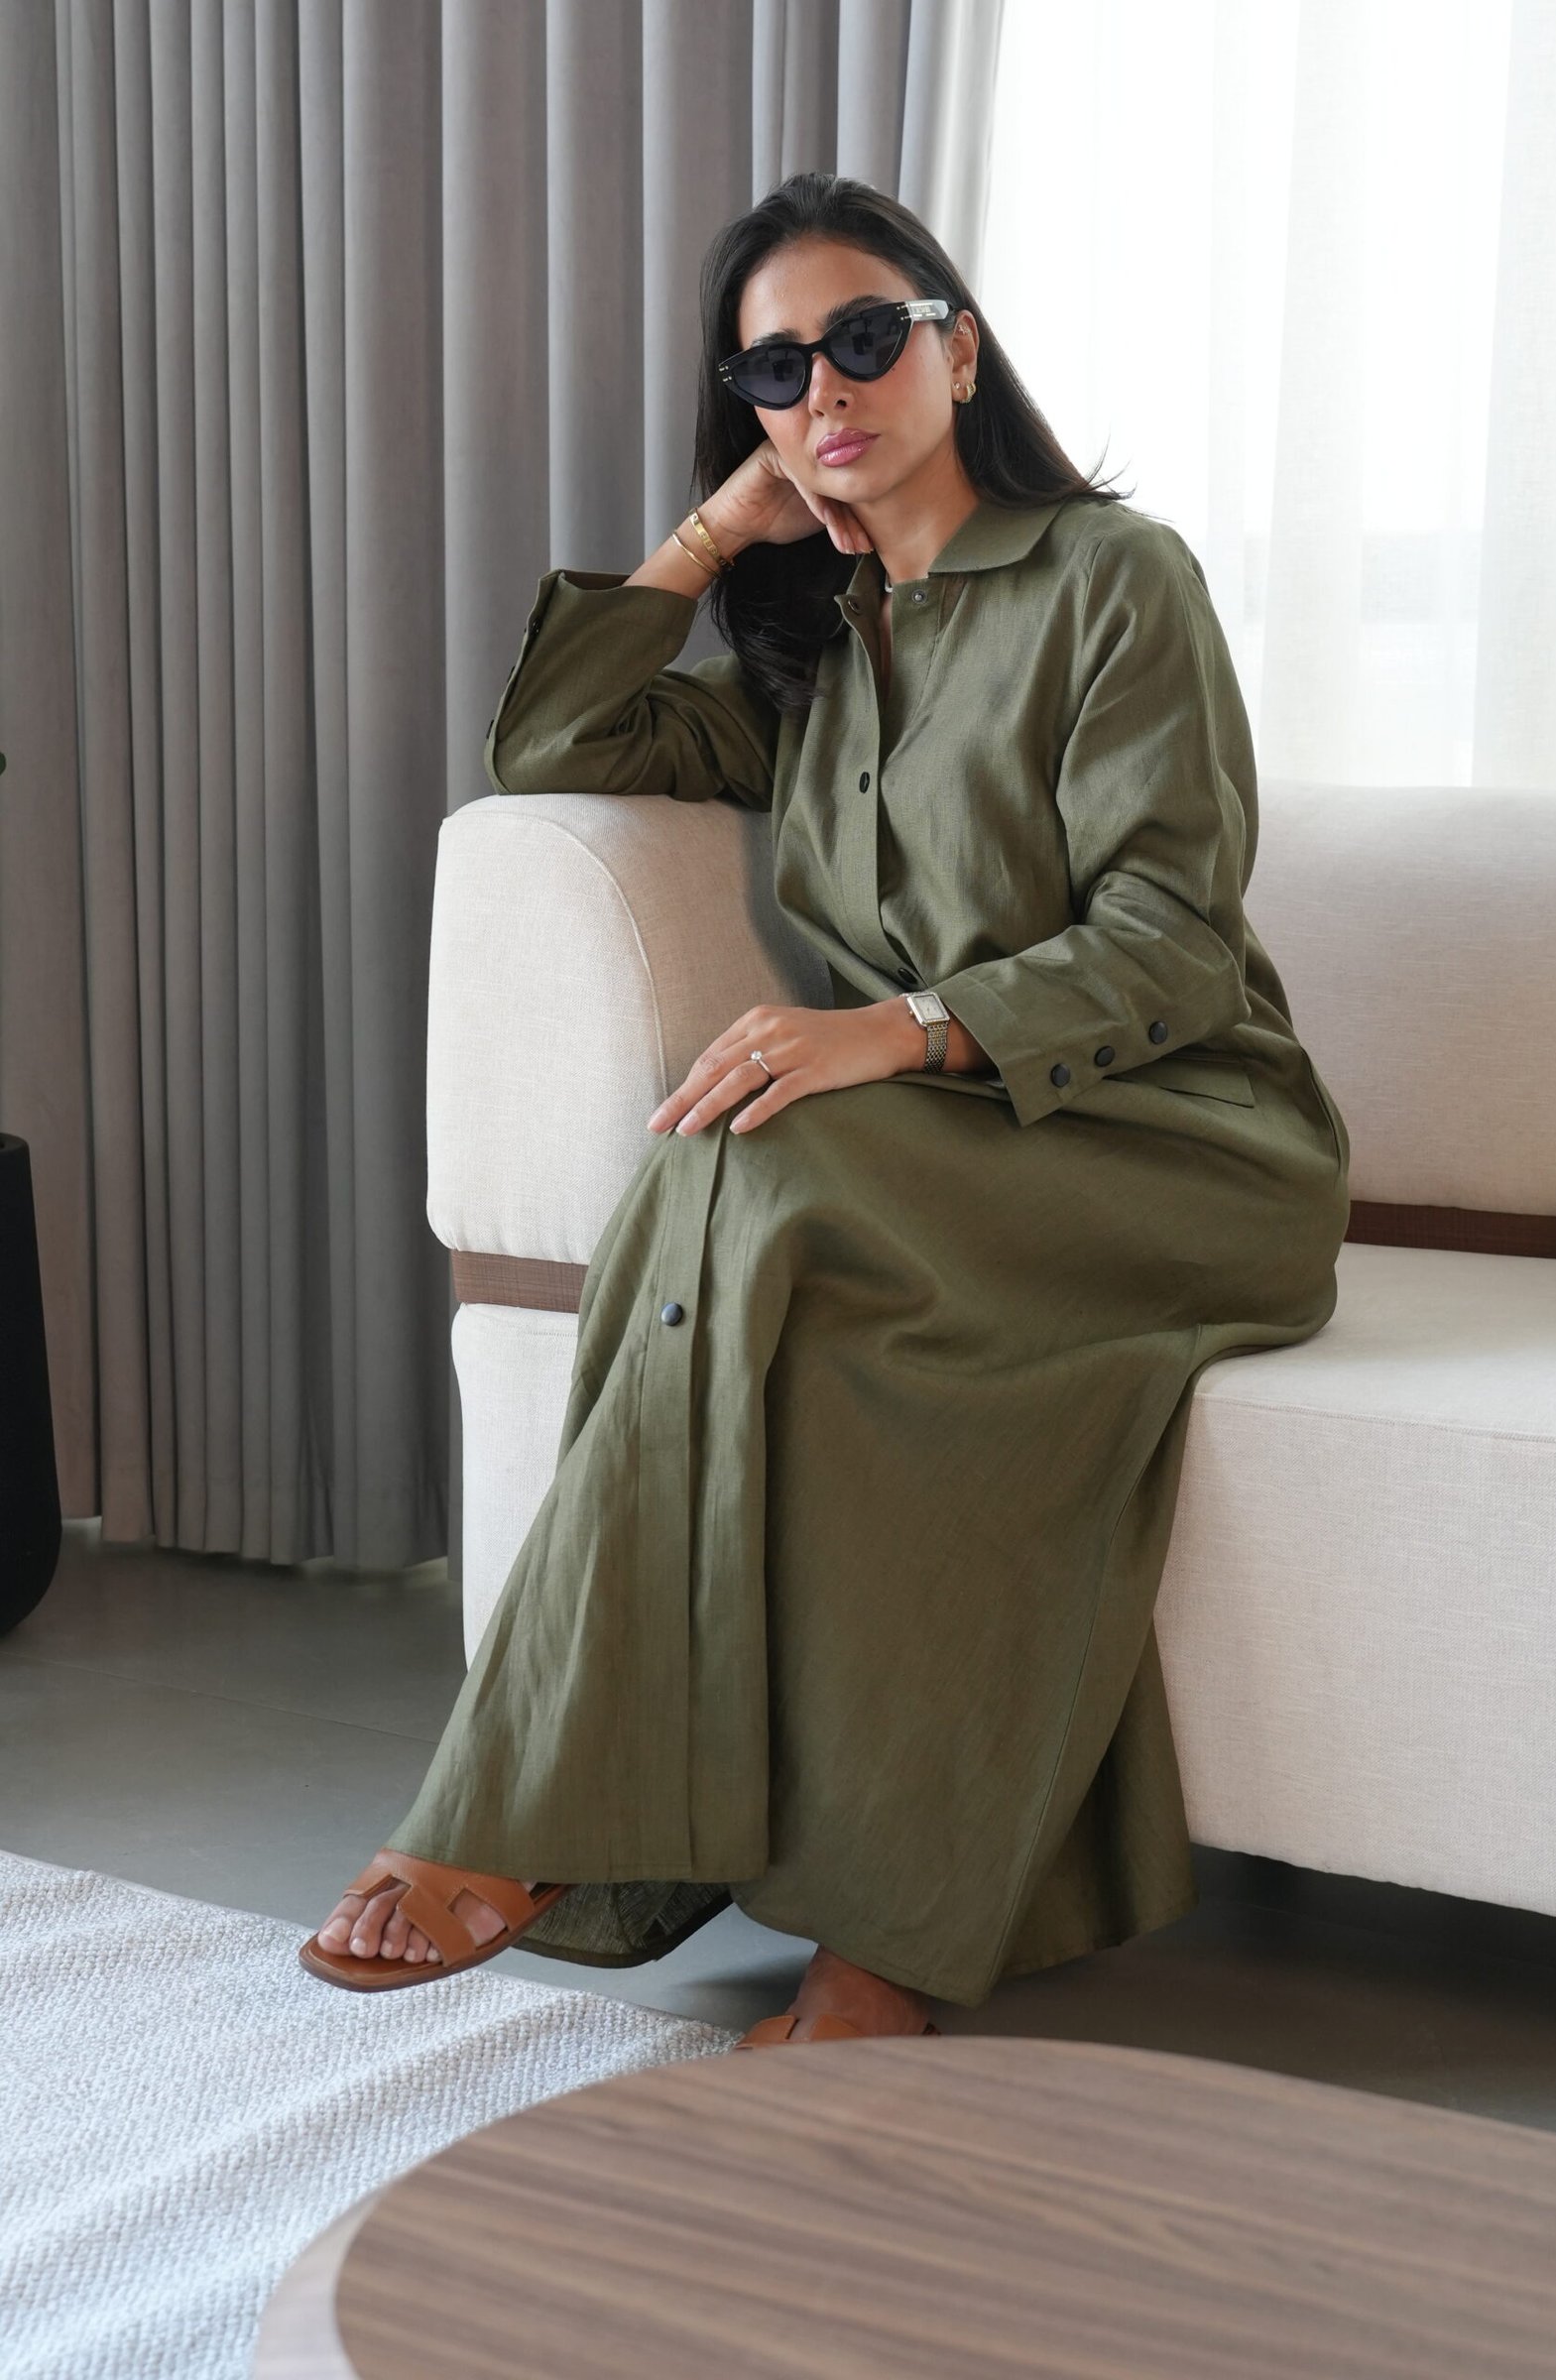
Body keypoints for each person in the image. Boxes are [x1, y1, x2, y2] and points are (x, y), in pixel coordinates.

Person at [299, 171, 1350, 2044]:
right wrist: (721, 530)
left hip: (1186, 1149)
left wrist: (902, 1031)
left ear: (960, 350)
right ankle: (859, 1933)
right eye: (775, 369)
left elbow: (1176, 941)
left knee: (756, 1158)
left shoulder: (1116, 577)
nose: (827, 385)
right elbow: (551, 746)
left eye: (865, 336)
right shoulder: (812, 660)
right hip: (964, 1164)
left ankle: (540, 1815)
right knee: (772, 1235)